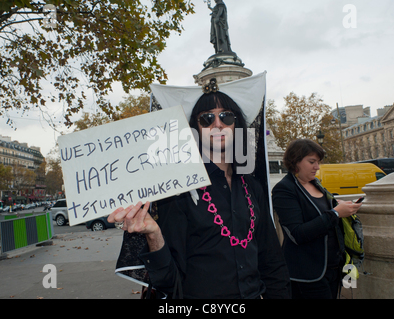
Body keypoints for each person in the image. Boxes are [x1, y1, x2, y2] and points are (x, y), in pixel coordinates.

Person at [109, 83, 290, 299]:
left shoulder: (253, 187)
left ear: (237, 125)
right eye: (207, 118)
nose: (217, 124)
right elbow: (168, 279)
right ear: (194, 130)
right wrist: (154, 234)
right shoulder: (178, 190)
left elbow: (271, 261)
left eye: (226, 117)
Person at [272, 139, 362, 299]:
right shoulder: (283, 189)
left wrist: (338, 205)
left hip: (333, 268)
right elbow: (297, 234)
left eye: (318, 162)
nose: (317, 167)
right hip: (308, 274)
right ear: (295, 161)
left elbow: (322, 213)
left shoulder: (317, 184)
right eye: (312, 161)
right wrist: (335, 213)